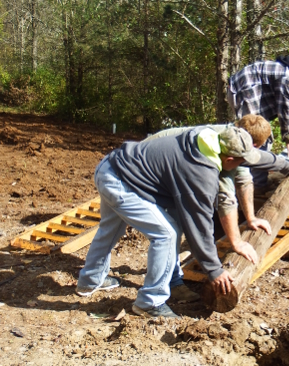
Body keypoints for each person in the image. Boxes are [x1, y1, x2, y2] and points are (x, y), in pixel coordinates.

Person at [76, 126, 264, 318]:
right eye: (241, 162)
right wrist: (214, 270)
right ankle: (150, 302)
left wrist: (287, 165)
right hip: (120, 183)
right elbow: (199, 226)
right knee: (167, 233)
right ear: (230, 160)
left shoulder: (202, 139)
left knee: (111, 227)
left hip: (111, 166)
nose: (242, 166)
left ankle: (90, 279)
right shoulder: (202, 173)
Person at [143, 115, 289, 303]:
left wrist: (252, 217)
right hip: (152, 169)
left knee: (121, 227)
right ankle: (170, 284)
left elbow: (245, 180)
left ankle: (104, 273)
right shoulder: (222, 151)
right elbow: (225, 200)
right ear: (249, 144)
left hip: (150, 166)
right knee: (171, 229)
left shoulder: (233, 141)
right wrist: (236, 243)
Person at [227, 51, 289, 189]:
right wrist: (288, 140)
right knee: (258, 136)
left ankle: (255, 180)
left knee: (262, 136)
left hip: (254, 91)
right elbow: (284, 107)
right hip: (243, 89)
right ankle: (256, 185)